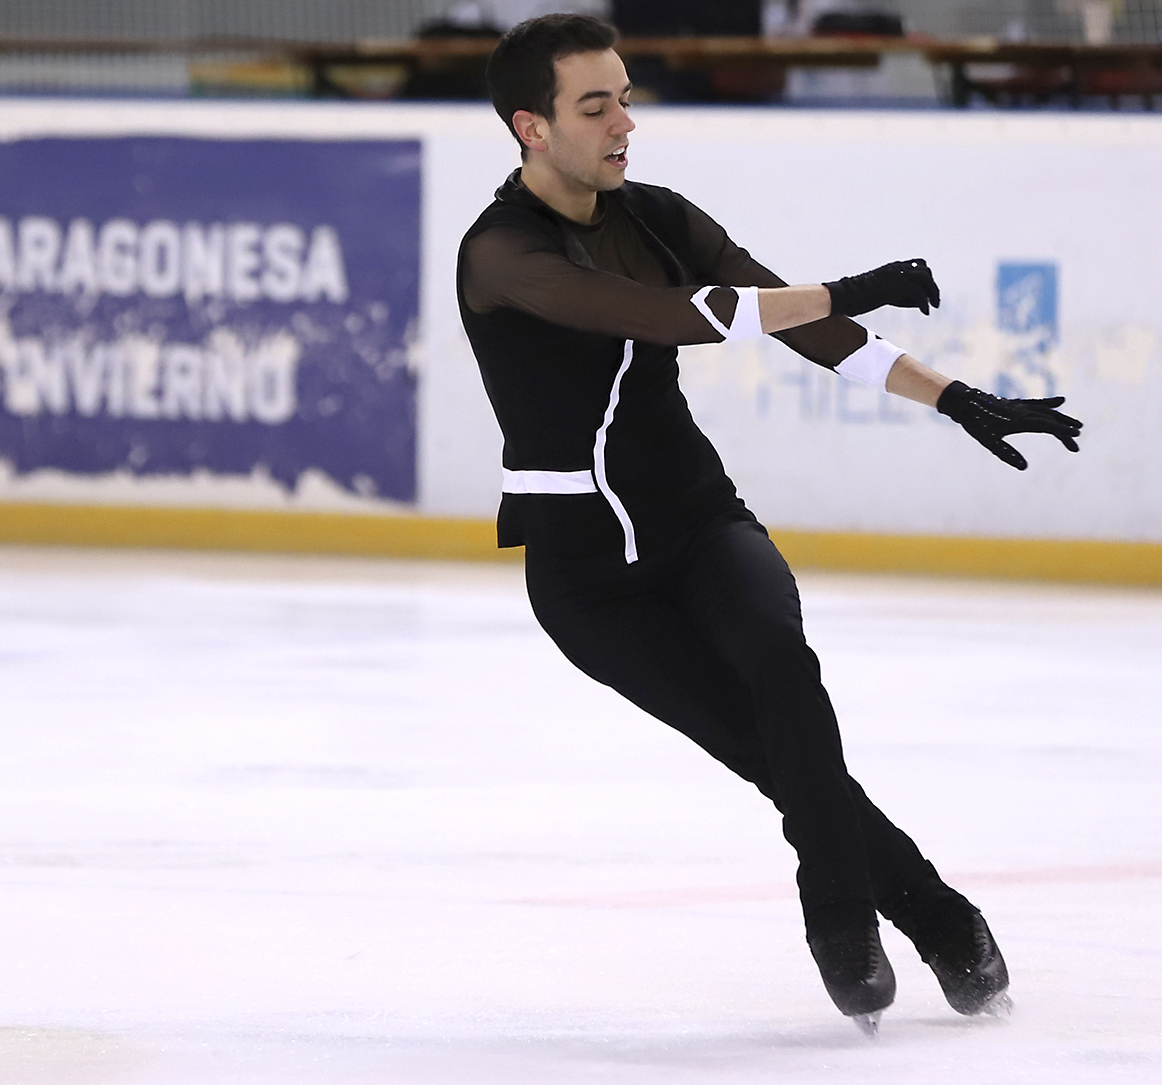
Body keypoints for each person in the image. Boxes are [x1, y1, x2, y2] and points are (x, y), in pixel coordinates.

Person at [457, 13, 1082, 1033]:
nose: (624, 119)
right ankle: (938, 913)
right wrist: (849, 284)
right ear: (531, 126)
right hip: (585, 577)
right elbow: (673, 318)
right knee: (763, 747)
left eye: (625, 94)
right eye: (595, 104)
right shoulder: (500, 253)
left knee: (783, 666)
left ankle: (840, 917)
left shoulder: (656, 215)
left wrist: (954, 393)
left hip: (698, 516)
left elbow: (806, 327)